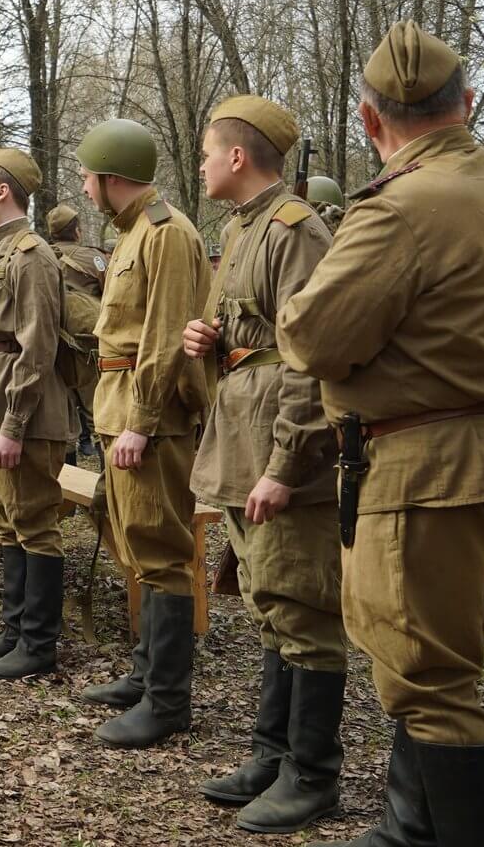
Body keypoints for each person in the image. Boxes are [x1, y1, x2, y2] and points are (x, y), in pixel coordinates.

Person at [283, 22, 484, 846]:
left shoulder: (397, 209)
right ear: (466, 105)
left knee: (431, 688)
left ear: (370, 123)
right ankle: (410, 830)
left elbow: (315, 338)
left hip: (424, 473)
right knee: (430, 664)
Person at [179, 96, 344, 833]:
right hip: (243, 437)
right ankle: (271, 754)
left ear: (238, 158)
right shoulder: (241, 228)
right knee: (269, 603)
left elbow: (311, 359)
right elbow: (252, 342)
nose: (204, 163)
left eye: (210, 151)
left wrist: (285, 465)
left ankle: (312, 774)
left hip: (283, 451)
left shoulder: (294, 229)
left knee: (304, 610)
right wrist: (206, 340)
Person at [72, 118, 210, 749]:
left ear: (111, 175)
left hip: (146, 413)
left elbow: (163, 337)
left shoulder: (166, 235)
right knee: (138, 547)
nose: (83, 185)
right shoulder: (130, 235)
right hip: (119, 404)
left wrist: (143, 423)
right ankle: (147, 673)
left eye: (87, 175)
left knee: (161, 551)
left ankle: (167, 702)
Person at [0, 148, 73, 679]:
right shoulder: (3, 253)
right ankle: (14, 629)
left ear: (2, 192)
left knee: (33, 525)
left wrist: (13, 423)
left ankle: (38, 642)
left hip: (21, 409)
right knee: (6, 523)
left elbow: (38, 346)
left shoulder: (31, 255)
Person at [46, 202, 108, 461]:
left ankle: (66, 497)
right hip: (88, 345)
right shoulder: (94, 257)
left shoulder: (42, 256)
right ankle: (108, 491)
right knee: (101, 415)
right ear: (77, 231)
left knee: (63, 418)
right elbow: (112, 294)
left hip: (53, 345)